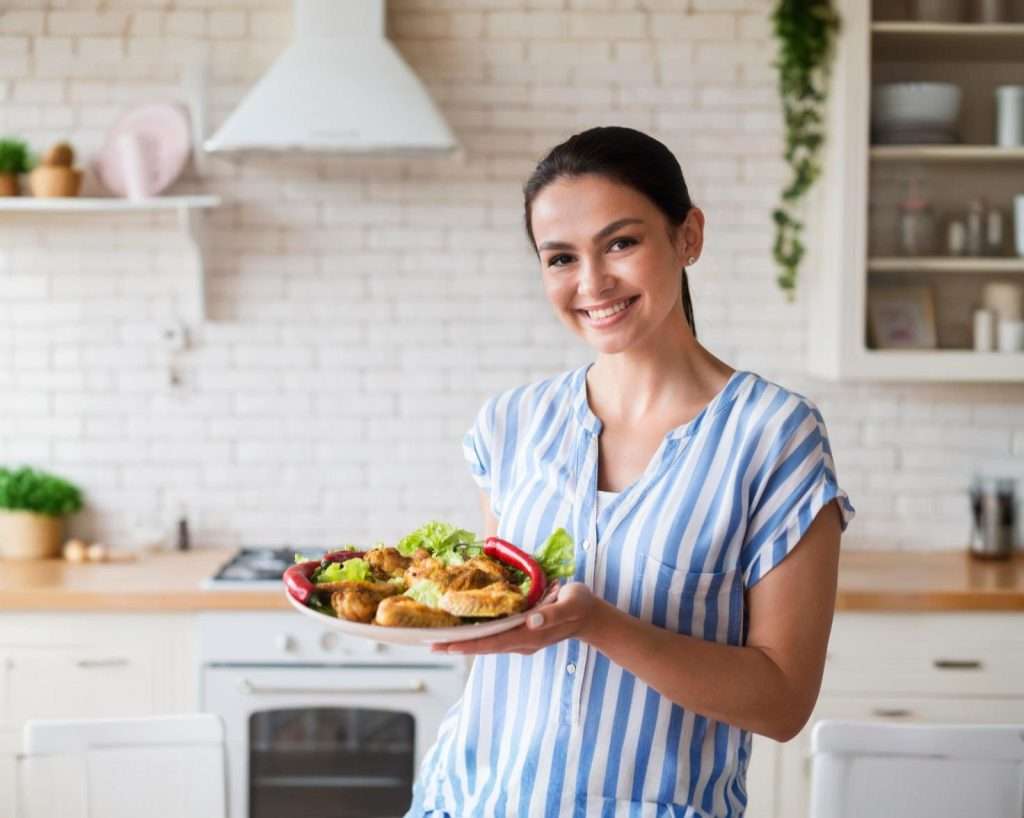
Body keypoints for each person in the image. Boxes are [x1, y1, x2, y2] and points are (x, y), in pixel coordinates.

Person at [405, 125, 855, 818]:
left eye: (621, 243)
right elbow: (496, 638)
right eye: (560, 258)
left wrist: (600, 625)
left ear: (687, 237)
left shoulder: (772, 435)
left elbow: (783, 701)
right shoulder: (513, 424)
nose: (592, 284)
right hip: (471, 801)